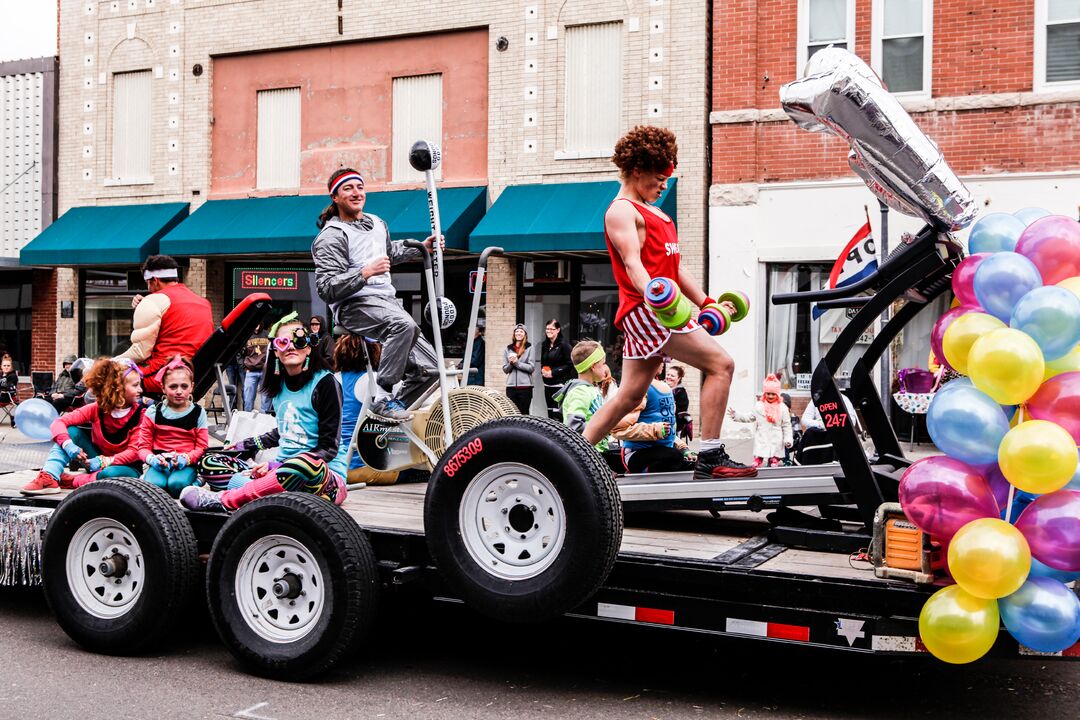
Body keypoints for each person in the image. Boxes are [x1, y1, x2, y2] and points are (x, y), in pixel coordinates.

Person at [582, 125, 755, 479]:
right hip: (648, 312)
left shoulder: (657, 213)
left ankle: (575, 455)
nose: (663, 185)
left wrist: (707, 302)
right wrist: (657, 301)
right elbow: (632, 264)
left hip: (654, 310)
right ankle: (710, 455)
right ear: (637, 170)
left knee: (630, 395)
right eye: (658, 178)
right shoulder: (622, 211)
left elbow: (675, 268)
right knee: (721, 365)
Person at [311, 167, 443, 423]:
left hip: (386, 302)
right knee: (403, 325)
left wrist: (421, 248)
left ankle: (387, 417)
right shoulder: (331, 236)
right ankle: (381, 397)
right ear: (335, 197)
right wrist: (364, 273)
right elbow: (326, 287)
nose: (356, 192)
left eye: (359, 187)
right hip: (354, 306)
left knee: (433, 370)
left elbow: (388, 252)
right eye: (348, 188)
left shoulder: (377, 223)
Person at [180, 314, 349, 512]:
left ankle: (227, 500)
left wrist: (275, 466)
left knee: (301, 465)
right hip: (279, 473)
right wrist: (244, 445)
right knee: (209, 461)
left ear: (309, 347)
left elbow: (328, 448)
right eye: (284, 342)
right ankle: (267, 492)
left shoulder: (325, 383)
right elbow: (286, 431)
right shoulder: (279, 385)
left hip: (321, 478)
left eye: (299, 340)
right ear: (276, 351)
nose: (292, 347)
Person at [20, 358, 148, 495]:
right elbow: (58, 422)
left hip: (125, 468)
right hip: (94, 461)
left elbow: (134, 451)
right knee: (71, 431)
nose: (140, 389)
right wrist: (68, 444)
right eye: (135, 385)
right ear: (117, 388)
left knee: (111, 474)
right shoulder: (96, 409)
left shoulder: (142, 415)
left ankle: (73, 481)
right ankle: (49, 476)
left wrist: (103, 461)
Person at [119, 254, 214, 395]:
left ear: (155, 280)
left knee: (107, 378)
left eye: (147, 283)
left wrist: (110, 363)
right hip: (194, 373)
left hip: (163, 374)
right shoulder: (203, 303)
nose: (148, 288)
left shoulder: (153, 301)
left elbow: (140, 352)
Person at [136, 357, 209, 498]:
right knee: (155, 489)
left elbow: (202, 447)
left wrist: (187, 458)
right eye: (173, 386)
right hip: (160, 464)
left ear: (192, 386)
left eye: (184, 386)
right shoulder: (153, 412)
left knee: (177, 486)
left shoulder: (199, 413)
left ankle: (198, 481)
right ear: (163, 388)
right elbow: (143, 447)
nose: (179, 391)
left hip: (186, 464)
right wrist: (152, 459)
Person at [333, 334, 399, 485]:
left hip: (338, 467)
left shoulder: (332, 380)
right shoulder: (377, 380)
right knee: (418, 466)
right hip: (368, 467)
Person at [726, 374, 793, 468]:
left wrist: (788, 439)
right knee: (761, 446)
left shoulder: (782, 408)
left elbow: (787, 425)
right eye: (768, 393)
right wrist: (736, 415)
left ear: (777, 395)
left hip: (776, 435)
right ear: (764, 394)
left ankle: (774, 458)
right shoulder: (759, 406)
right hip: (762, 433)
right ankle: (759, 458)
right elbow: (749, 417)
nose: (770, 396)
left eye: (773, 394)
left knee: (775, 446)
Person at [540, 319, 574, 420]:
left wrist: (553, 372)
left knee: (558, 414)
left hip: (559, 384)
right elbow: (543, 362)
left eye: (552, 329)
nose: (549, 331)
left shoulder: (564, 345)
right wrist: (543, 370)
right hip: (547, 384)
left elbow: (570, 364)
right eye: (547, 329)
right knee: (550, 412)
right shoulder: (544, 345)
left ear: (558, 330)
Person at [503, 323, 535, 415]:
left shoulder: (529, 347)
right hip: (511, 387)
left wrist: (517, 363)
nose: (519, 333)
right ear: (514, 334)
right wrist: (511, 363)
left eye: (521, 331)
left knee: (524, 413)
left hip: (525, 387)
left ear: (525, 334)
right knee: (512, 413)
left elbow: (531, 367)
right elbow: (505, 370)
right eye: (517, 331)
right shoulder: (508, 349)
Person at [241, 323, 270, 412]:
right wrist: (244, 366)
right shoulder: (246, 335)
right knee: (248, 399)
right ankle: (247, 418)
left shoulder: (267, 334)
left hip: (264, 371)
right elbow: (239, 352)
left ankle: (265, 420)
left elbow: (272, 350)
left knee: (266, 398)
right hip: (251, 371)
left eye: (259, 322)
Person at [664, 364, 691, 440]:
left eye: (672, 376)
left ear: (679, 378)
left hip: (674, 425)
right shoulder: (660, 386)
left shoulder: (681, 392)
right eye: (668, 374)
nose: (668, 377)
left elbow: (682, 411)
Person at [0, 356, 18, 424]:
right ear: (1, 366)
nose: (6, 367)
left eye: (8, 365)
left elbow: (9, 387)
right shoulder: (0, 375)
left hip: (7, 397)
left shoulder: (12, 376)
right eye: (4, 365)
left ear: (11, 367)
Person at [467, 320, 486, 386]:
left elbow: (475, 361)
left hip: (475, 378)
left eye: (473, 328)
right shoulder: (471, 342)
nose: (469, 329)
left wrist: (463, 364)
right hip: (471, 376)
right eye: (469, 328)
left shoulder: (480, 343)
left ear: (479, 332)